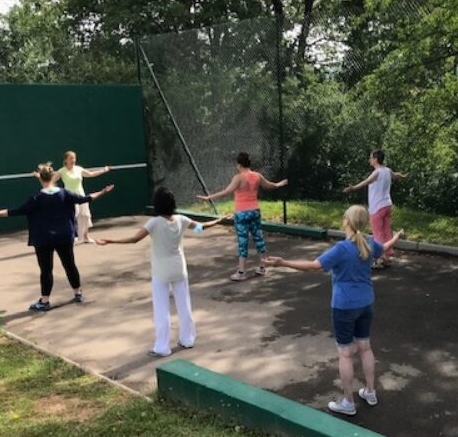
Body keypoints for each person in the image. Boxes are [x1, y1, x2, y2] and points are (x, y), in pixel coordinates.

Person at [264, 205, 404, 416]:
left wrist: (283, 262)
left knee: (345, 353)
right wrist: (396, 237)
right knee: (365, 347)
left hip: (344, 306)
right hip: (366, 303)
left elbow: (315, 266)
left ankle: (348, 402)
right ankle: (370, 391)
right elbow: (383, 248)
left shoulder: (341, 249)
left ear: (346, 221)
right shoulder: (369, 243)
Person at [97, 188, 228, 357]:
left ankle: (162, 347)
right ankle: (188, 339)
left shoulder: (154, 223)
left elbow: (135, 239)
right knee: (184, 305)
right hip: (179, 269)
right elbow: (200, 228)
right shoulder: (181, 219)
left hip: (161, 272)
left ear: (157, 204)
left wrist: (111, 241)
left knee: (161, 309)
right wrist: (219, 220)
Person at [0, 163, 114, 311]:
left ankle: (44, 301)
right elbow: (85, 199)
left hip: (43, 239)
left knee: (46, 270)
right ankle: (78, 293)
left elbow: (16, 211)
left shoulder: (36, 198)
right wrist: (103, 192)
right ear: (53, 177)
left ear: (40, 178)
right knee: (70, 265)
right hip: (64, 236)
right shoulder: (64, 193)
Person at [197, 152, 288, 282]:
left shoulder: (238, 178)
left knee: (242, 242)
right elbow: (270, 185)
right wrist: (280, 184)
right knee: (259, 238)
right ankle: (262, 267)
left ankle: (241, 272)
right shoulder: (257, 176)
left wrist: (208, 197)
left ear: (239, 164)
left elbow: (227, 192)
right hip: (254, 211)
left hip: (241, 213)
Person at [343, 149, 407, 269]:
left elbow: (366, 182)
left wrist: (353, 188)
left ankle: (380, 259)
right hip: (387, 205)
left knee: (378, 234)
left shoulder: (377, 172)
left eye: (371, 158)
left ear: (376, 159)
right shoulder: (387, 170)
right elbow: (396, 175)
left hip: (377, 207)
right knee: (387, 231)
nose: (369, 160)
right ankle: (388, 256)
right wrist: (403, 176)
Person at [45, 150, 112, 244]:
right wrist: (42, 178)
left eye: (74, 158)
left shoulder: (79, 169)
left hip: (81, 196)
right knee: (72, 218)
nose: (73, 160)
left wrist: (104, 170)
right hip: (69, 198)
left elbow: (90, 174)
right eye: (71, 158)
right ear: (66, 160)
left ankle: (86, 237)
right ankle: (71, 237)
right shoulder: (61, 171)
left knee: (85, 216)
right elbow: (51, 181)